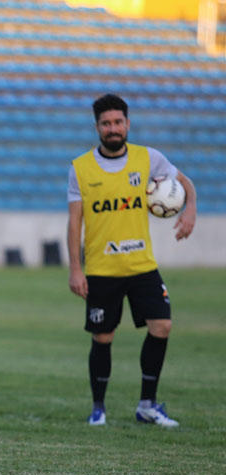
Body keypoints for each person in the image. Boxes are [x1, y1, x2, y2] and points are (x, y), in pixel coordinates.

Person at [67, 93, 196, 427]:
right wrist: (75, 268)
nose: (113, 128)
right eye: (106, 123)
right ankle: (98, 409)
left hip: (142, 265)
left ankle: (147, 406)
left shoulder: (149, 158)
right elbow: (74, 221)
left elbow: (186, 185)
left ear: (127, 123)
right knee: (103, 337)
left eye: (118, 122)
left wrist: (190, 210)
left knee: (162, 325)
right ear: (97, 127)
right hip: (101, 269)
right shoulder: (80, 168)